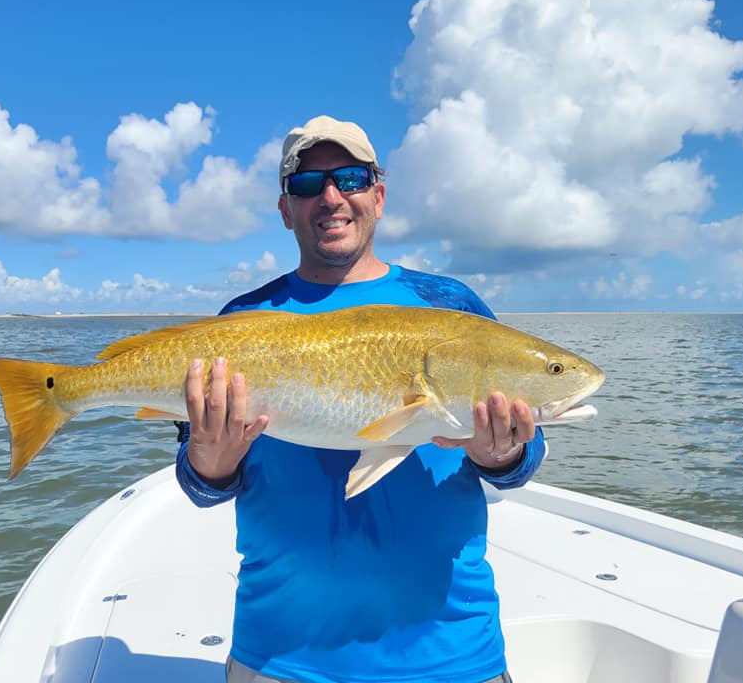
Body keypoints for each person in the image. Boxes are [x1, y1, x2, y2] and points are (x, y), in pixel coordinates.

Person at [175, 115, 545, 683]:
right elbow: (199, 483)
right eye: (306, 184)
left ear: (378, 193)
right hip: (281, 654)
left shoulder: (448, 304)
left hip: (450, 652)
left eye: (349, 177)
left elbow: (519, 464)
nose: (331, 197)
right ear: (284, 210)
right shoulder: (241, 322)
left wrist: (500, 454)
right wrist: (213, 457)